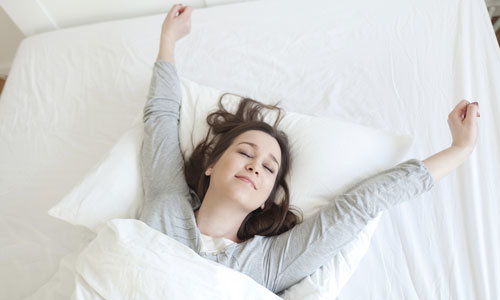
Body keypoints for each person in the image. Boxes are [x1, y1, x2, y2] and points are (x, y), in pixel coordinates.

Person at [139, 4, 480, 294]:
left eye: (269, 168)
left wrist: (459, 149)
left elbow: (361, 205)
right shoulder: (167, 201)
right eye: (245, 152)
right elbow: (161, 118)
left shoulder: (270, 262)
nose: (256, 166)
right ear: (211, 165)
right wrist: (168, 41)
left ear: (265, 200)